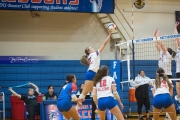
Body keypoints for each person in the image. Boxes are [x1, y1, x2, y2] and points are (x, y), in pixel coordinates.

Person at [78, 30, 112, 119]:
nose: (93, 48)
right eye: (91, 48)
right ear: (89, 51)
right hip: (91, 74)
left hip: (92, 74)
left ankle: (97, 108)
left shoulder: (90, 56)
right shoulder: (94, 54)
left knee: (93, 93)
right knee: (85, 93)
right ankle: (77, 110)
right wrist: (109, 35)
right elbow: (104, 44)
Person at [174, 22, 180, 103]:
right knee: (177, 87)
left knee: (178, 87)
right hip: (178, 71)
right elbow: (175, 38)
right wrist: (175, 28)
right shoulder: (178, 50)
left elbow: (176, 38)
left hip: (179, 71)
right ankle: (179, 100)